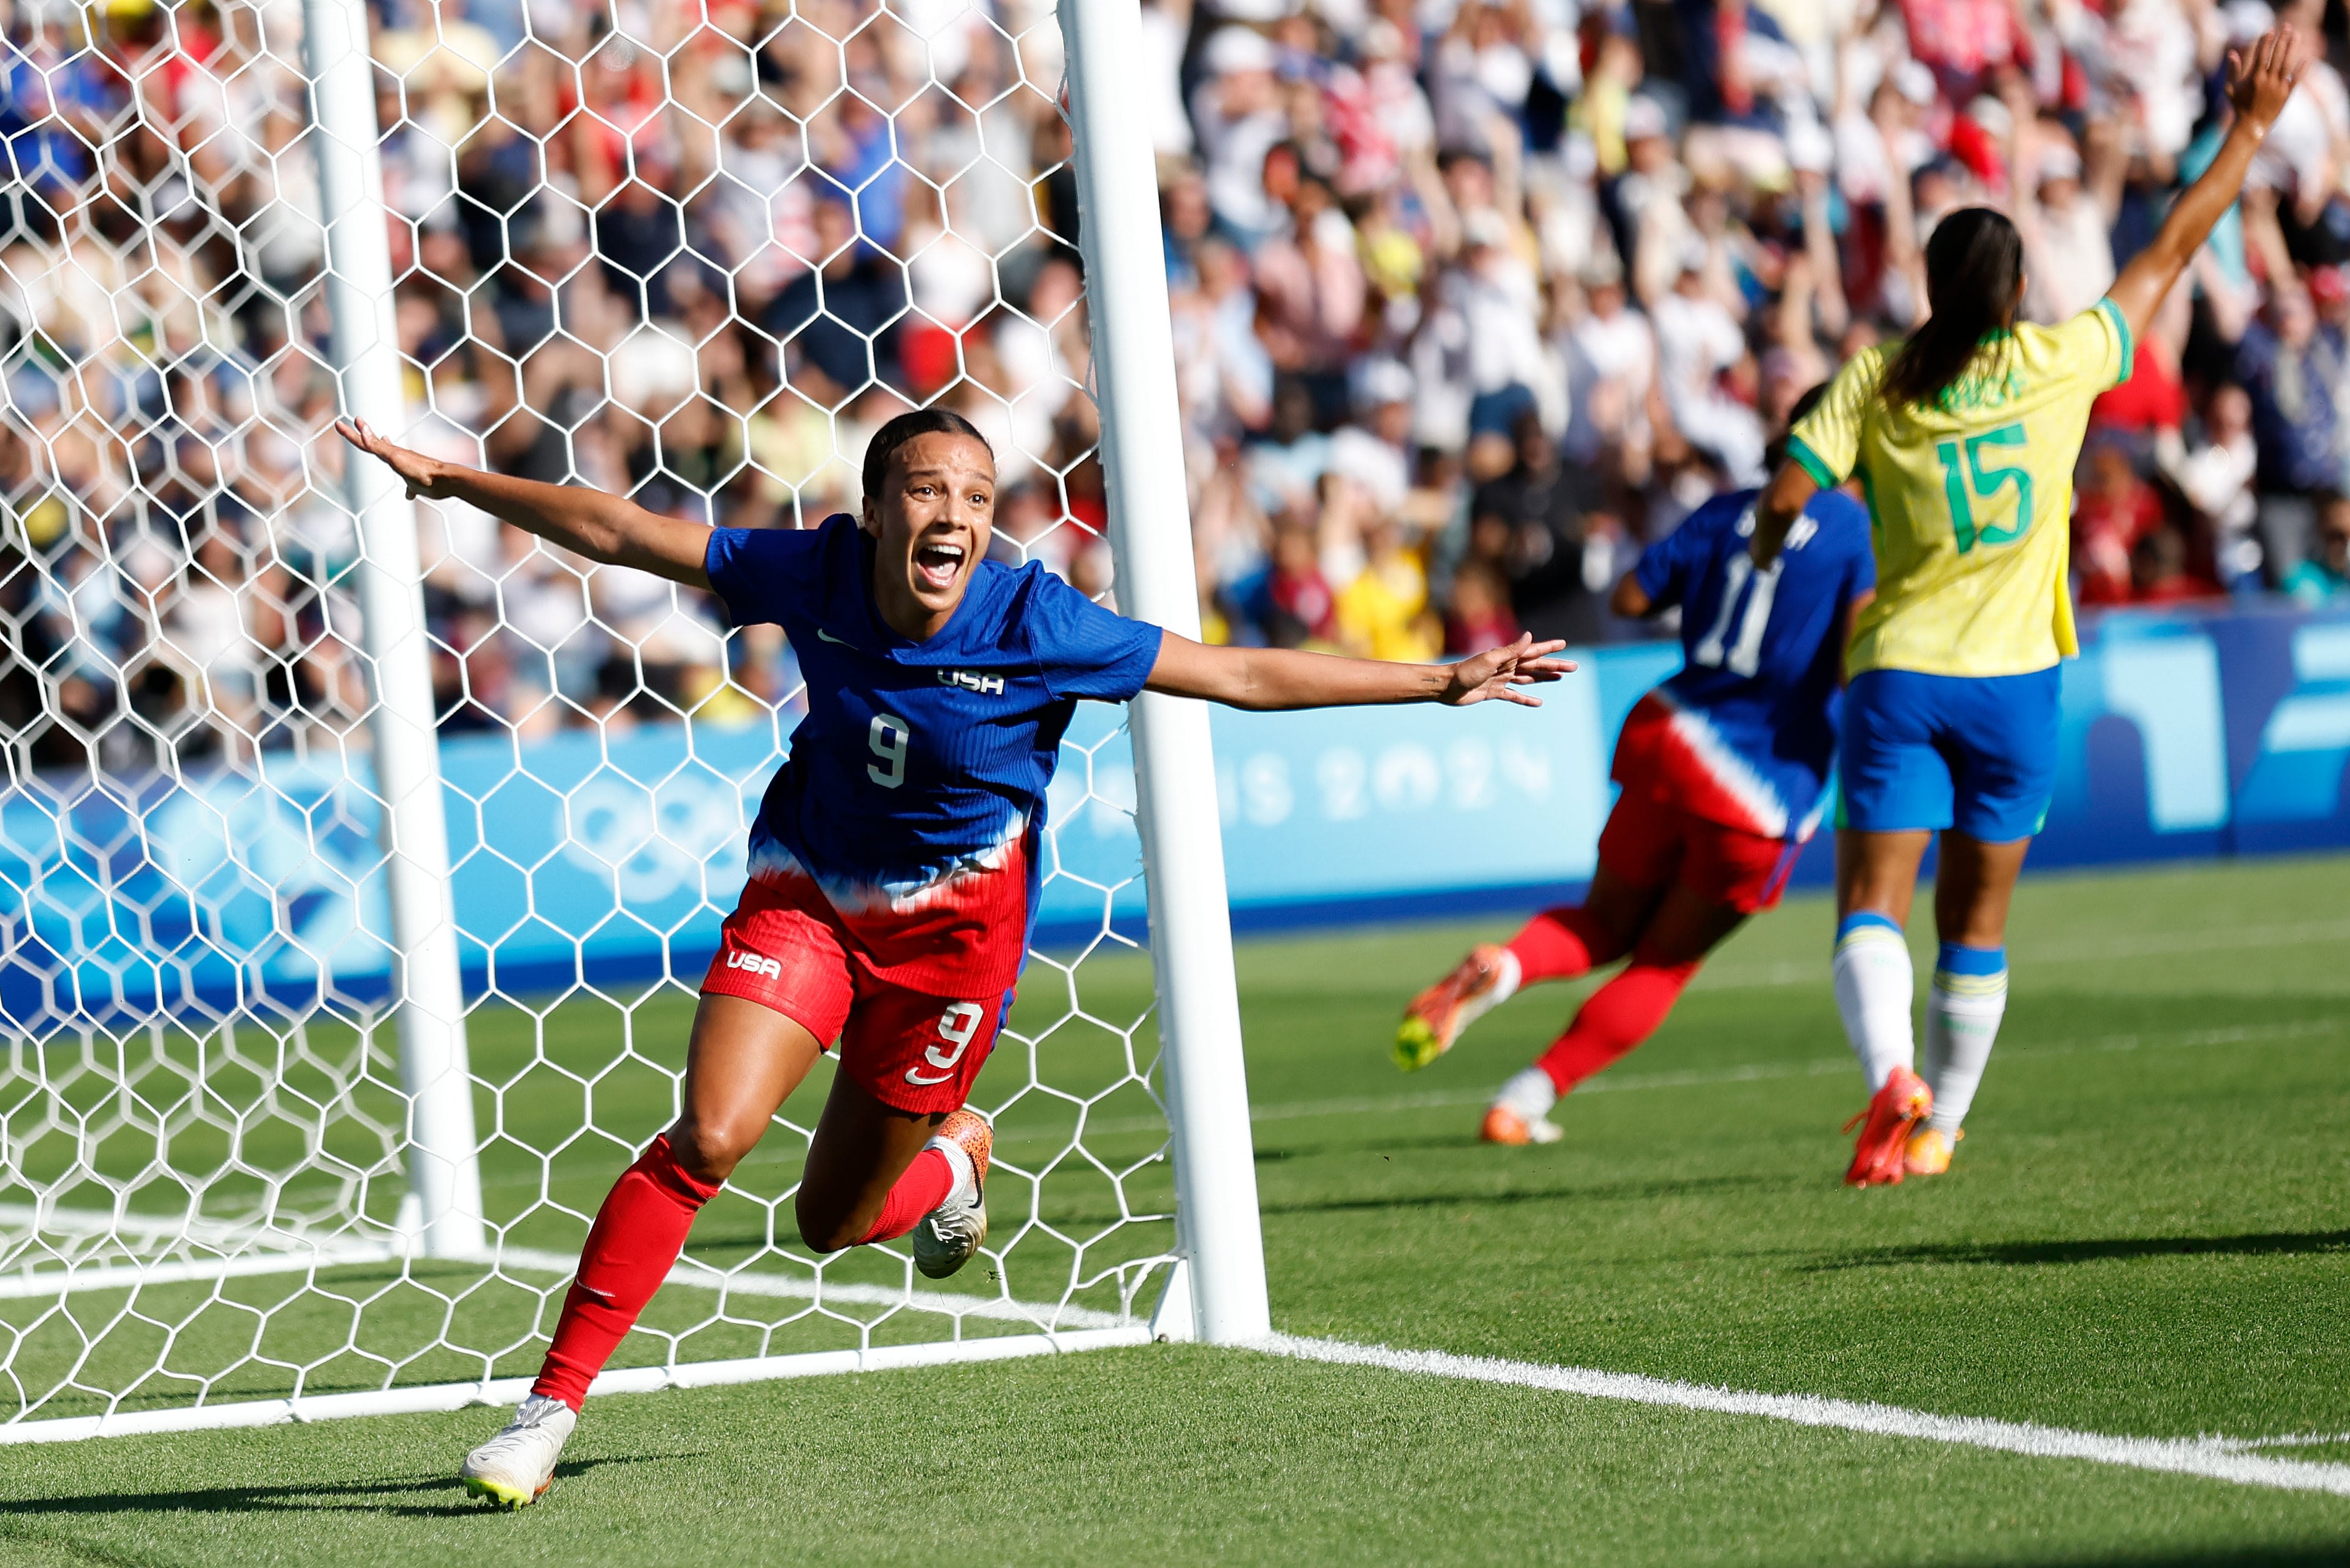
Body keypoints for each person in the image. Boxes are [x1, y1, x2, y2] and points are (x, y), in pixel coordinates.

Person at [334, 407, 1574, 1508]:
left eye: (977, 499)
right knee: (711, 1135)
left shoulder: (1036, 618)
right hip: (808, 895)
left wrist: (1437, 679)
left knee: (836, 1223)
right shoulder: (813, 572)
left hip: (952, 954)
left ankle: (954, 1158)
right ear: (875, 510)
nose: (956, 517)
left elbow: (1239, 672)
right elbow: (615, 531)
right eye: (929, 491)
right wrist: (454, 484)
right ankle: (549, 1405)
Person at [1746, 28, 2310, 1186]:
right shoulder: (2060, 361)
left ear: (1930, 288)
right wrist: (2248, 126)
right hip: (2018, 684)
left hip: (1902, 672)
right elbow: (2169, 247)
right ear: (2014, 293)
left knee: (1871, 901)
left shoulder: (1878, 378)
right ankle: (1942, 1123)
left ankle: (1887, 1082)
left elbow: (1787, 491)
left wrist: (1769, 545)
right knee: (1981, 919)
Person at [1395, 387, 1873, 1143]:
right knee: (1663, 962)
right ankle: (1521, 1100)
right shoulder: (1860, 532)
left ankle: (1506, 965)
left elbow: (1631, 592)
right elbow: (1858, 664)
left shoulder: (1724, 510)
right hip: (1763, 780)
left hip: (1670, 733)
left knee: (1604, 922)